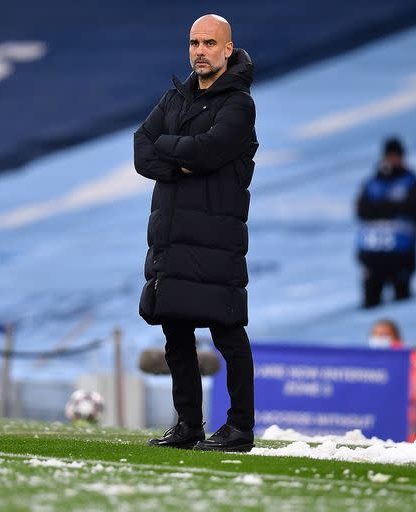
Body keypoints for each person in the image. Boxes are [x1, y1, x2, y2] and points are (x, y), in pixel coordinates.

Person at [133, 14, 258, 452]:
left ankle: (240, 427)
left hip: (216, 238)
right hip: (171, 235)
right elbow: (140, 150)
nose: (199, 51)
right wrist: (180, 156)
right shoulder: (175, 97)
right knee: (175, 333)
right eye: (194, 43)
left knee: (228, 333)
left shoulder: (239, 104)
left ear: (228, 49)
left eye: (209, 43)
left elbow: (206, 152)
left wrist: (170, 148)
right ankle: (189, 424)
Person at [356, 137, 416, 308]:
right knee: (370, 303)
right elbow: (362, 211)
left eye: (397, 156)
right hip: (372, 254)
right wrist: (394, 207)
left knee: (403, 302)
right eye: (390, 156)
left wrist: (380, 207)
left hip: (401, 255)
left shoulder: (411, 181)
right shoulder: (372, 182)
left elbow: (414, 211)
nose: (393, 160)